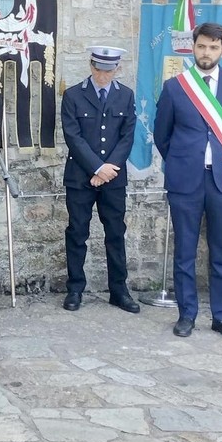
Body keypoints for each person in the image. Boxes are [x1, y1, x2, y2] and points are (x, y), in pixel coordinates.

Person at [154, 22, 222, 341]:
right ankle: (187, 314)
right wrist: (184, 160)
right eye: (201, 46)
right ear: (193, 47)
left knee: (221, 252)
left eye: (213, 47)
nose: (206, 52)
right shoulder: (175, 87)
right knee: (184, 250)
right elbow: (162, 135)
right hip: (186, 181)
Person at [60, 45, 140, 314]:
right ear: (91, 65)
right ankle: (75, 289)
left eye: (108, 70)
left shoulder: (126, 96)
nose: (103, 75)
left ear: (116, 69)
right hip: (80, 176)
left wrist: (109, 169)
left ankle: (119, 290)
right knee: (77, 232)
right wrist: (96, 168)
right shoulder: (73, 95)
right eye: (98, 69)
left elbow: (127, 135)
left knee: (116, 233)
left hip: (114, 178)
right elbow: (73, 136)